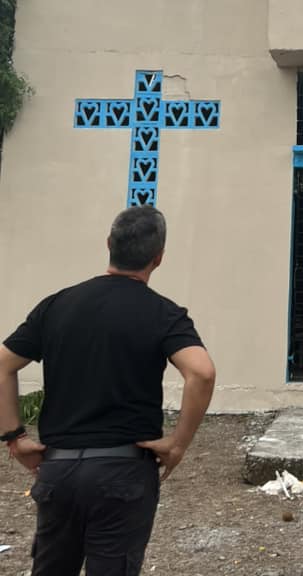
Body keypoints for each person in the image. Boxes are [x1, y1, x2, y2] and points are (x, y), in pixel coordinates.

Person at [0, 205, 216, 575]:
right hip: (123, 472)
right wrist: (177, 444)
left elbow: (3, 365)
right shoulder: (163, 314)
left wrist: (15, 438)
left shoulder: (57, 305)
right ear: (158, 257)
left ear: (108, 245)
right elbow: (202, 373)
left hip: (59, 470)